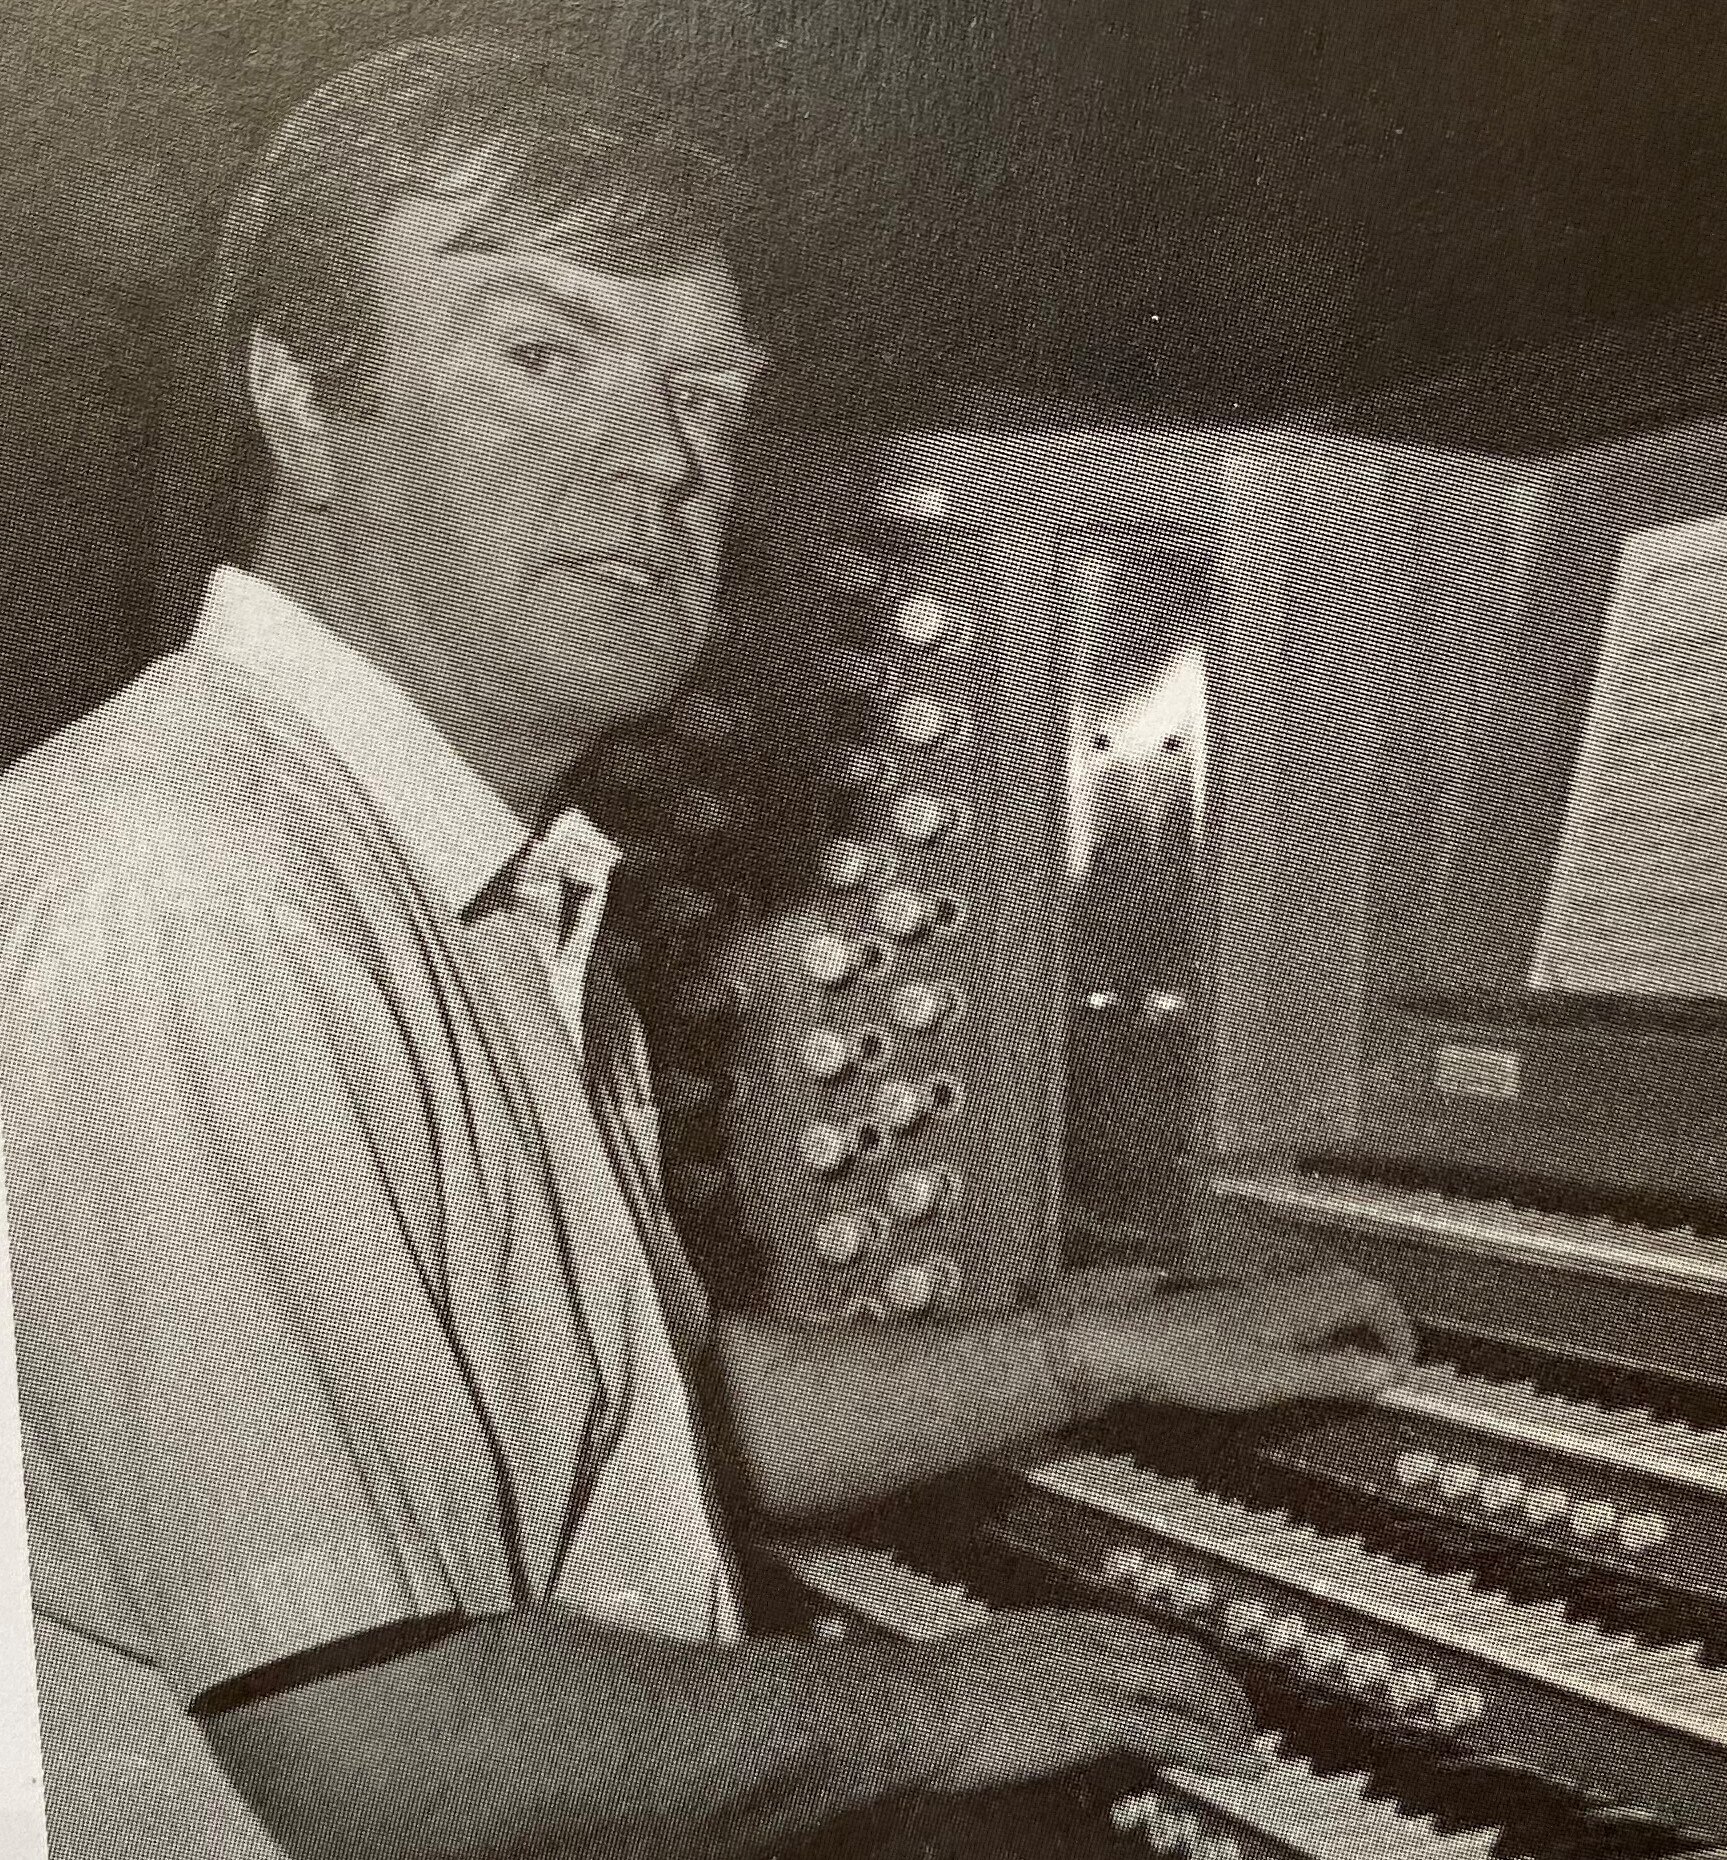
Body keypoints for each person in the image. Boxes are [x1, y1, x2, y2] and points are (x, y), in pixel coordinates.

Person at [0, 38, 1413, 1860]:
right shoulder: (197, 895)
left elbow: (627, 1416)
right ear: (298, 404)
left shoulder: (454, 866)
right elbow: (381, 1753)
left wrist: (1077, 1357)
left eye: (708, 396)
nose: (662, 461)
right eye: (540, 355)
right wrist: (927, 1703)